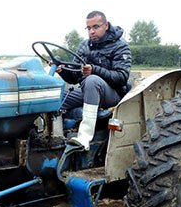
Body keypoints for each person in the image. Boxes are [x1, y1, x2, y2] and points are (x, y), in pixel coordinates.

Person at [57, 10, 132, 151]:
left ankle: (84, 138)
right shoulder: (84, 46)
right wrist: (63, 70)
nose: (92, 31)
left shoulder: (120, 46)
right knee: (57, 98)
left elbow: (121, 78)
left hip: (112, 94)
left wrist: (94, 70)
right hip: (88, 91)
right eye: (89, 28)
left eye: (96, 27)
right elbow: (74, 77)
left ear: (106, 26)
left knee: (92, 80)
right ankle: (52, 138)